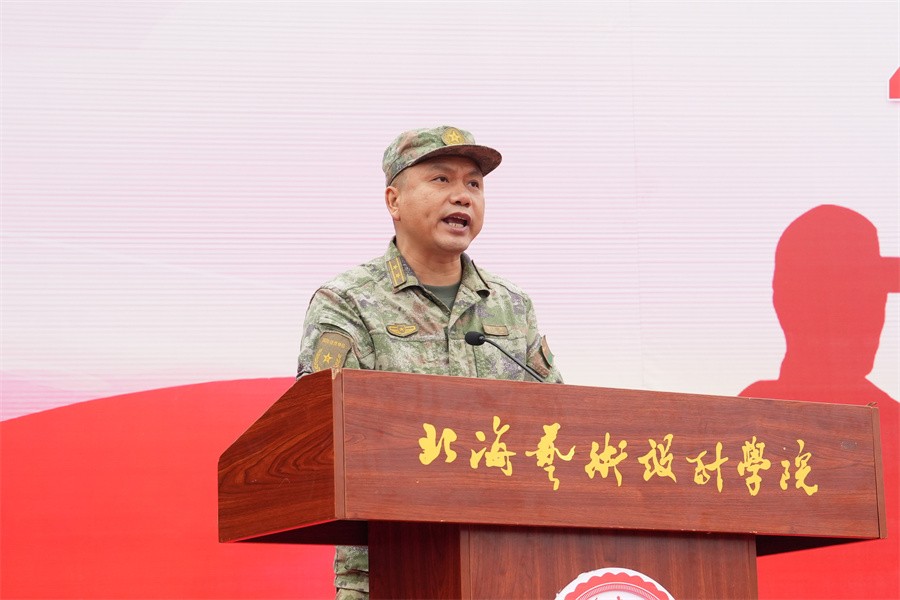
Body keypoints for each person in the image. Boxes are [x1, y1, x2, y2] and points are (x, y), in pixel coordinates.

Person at [296, 125, 563, 599]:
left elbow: (559, 426)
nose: (462, 196)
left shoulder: (512, 306)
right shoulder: (348, 302)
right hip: (390, 570)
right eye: (441, 179)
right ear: (394, 200)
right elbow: (322, 431)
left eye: (474, 184)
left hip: (508, 569)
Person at [740, 204, 899, 599]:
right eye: (852, 299)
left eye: (876, 299)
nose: (872, 317)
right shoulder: (744, 420)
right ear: (789, 305)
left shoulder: (894, 422)